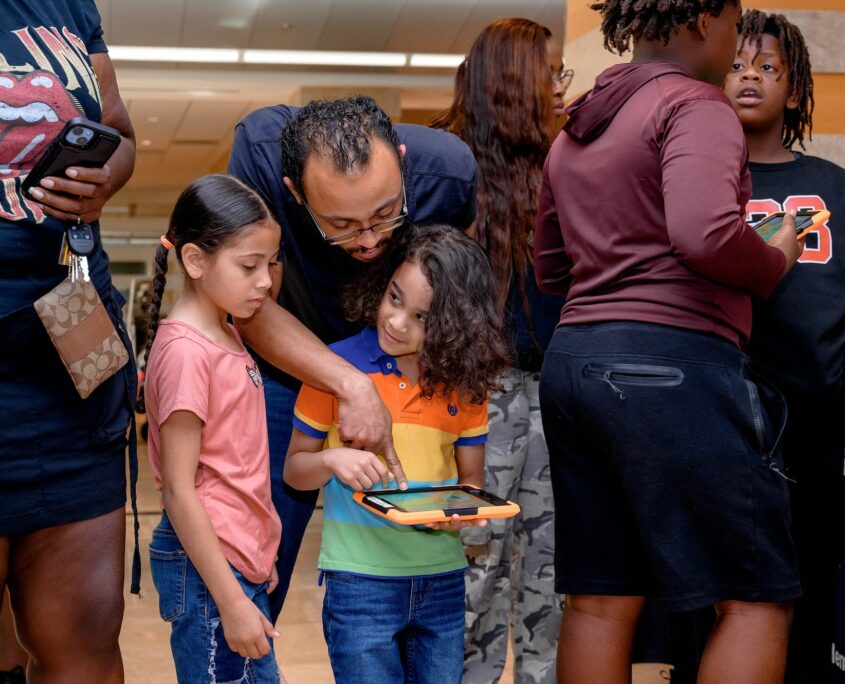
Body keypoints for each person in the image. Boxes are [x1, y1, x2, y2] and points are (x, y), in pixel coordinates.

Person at [534, 0, 807, 682]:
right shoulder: (695, 106)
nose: (735, 41)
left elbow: (549, 266)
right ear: (700, 21)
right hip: (669, 364)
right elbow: (704, 232)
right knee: (754, 597)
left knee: (601, 598)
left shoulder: (576, 128)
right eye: (732, 21)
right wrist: (772, 257)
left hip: (574, 365)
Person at [227, 95, 477, 621]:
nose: (368, 241)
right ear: (294, 192)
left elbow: (455, 297)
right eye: (340, 223)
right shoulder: (260, 157)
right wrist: (352, 383)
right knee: (254, 559)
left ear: (403, 162)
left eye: (386, 214)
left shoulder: (449, 174)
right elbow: (247, 308)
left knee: (400, 547)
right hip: (287, 361)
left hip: (399, 365)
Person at [284, 223, 510, 684]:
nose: (396, 321)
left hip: (442, 581)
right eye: (394, 297)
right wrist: (332, 460)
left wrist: (464, 513)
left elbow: (470, 487)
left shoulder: (466, 389)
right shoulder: (333, 370)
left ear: (456, 325)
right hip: (359, 583)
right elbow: (294, 472)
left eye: (423, 318)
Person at [0, 2, 137, 682]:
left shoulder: (67, 5)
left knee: (84, 635)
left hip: (73, 338)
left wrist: (101, 177)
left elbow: (119, 134)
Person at [430, 17, 568, 684]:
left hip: (558, 396)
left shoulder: (565, 163)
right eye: (552, 74)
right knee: (472, 574)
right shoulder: (446, 165)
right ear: (517, 82)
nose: (561, 88)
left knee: (552, 578)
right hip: (478, 399)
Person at [725, 11, 845, 682]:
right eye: (735, 65)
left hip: (817, 419)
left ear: (794, 89)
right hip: (725, 415)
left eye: (767, 67)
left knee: (809, 576)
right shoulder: (701, 183)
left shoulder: (832, 186)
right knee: (726, 585)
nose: (748, 76)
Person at [142, 175, 283, 683]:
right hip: (208, 569)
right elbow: (180, 491)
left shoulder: (225, 332)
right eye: (249, 266)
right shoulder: (186, 352)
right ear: (195, 261)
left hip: (231, 559)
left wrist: (258, 548)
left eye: (269, 264)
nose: (265, 280)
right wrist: (231, 600)